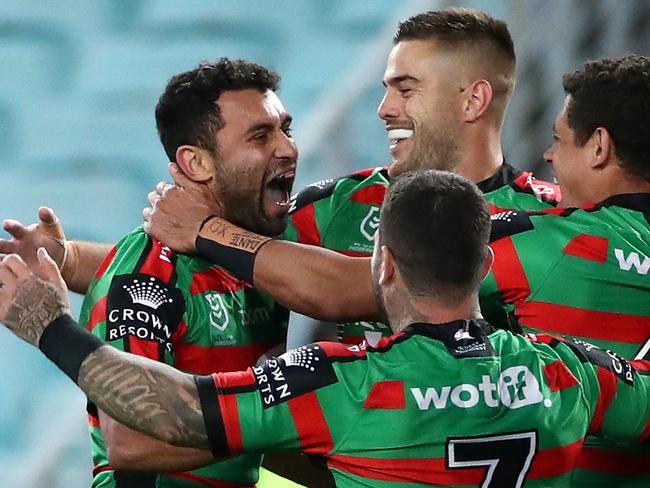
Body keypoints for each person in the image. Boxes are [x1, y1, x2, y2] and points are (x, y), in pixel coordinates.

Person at [144, 54, 650, 486]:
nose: (547, 156)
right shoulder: (568, 371)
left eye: (560, 141)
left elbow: (341, 289)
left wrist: (207, 232)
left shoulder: (558, 242)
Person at [0, 170, 649, 488]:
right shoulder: (567, 371)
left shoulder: (346, 382)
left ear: (383, 264)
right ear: (483, 263)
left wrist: (51, 326)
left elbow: (172, 416)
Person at [0, 8, 559, 346]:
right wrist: (66, 258)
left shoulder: (552, 222)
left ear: (473, 100)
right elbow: (188, 262)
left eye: (406, 89)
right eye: (386, 87)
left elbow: (335, 287)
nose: (384, 108)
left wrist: (205, 231)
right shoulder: (347, 203)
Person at [7, 58, 328, 488]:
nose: (288, 148)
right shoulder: (145, 277)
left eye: (285, 128)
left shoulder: (261, 263)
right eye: (260, 135)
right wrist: (301, 410)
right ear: (196, 164)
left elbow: (264, 437)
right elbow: (133, 440)